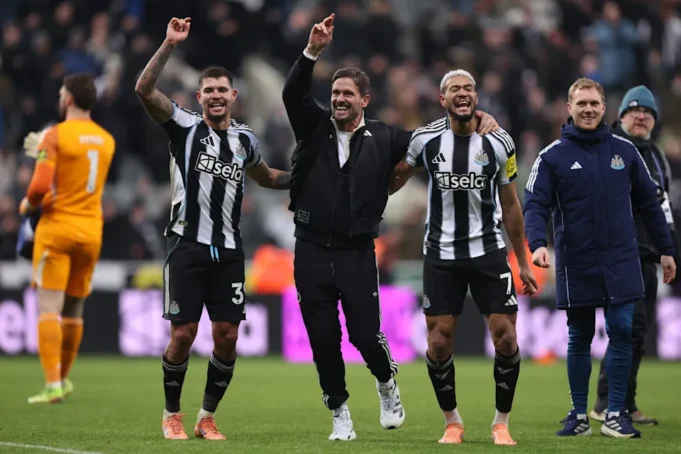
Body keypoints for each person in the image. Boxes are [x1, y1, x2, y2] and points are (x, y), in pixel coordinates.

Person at [282, 13, 500, 441]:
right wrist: (311, 53)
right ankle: (340, 414)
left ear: (365, 99)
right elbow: (292, 93)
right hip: (310, 248)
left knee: (365, 336)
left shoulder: (386, 137)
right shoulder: (314, 128)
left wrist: (476, 115)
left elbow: (433, 136)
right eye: (335, 93)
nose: (339, 99)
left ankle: (386, 382)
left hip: (358, 251)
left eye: (348, 94)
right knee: (323, 339)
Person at [135, 17, 291, 441]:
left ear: (233, 96)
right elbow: (144, 90)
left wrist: (304, 177)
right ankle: (171, 414)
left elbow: (267, 177)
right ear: (199, 96)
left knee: (227, 336)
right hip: (186, 246)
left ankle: (206, 417)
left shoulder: (245, 141)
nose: (217, 95)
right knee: (182, 334)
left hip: (229, 251)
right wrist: (169, 44)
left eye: (223, 89)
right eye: (210, 90)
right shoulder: (184, 126)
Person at [390, 70, 538, 446]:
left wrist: (522, 262)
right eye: (454, 88)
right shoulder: (425, 139)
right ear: (442, 99)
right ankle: (452, 422)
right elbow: (397, 176)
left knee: (506, 338)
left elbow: (511, 205)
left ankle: (501, 423)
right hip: (441, 254)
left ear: (476, 97)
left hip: (489, 251)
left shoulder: (499, 141)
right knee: (439, 342)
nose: (463, 93)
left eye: (469, 88)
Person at [523, 78, 677, 439]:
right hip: (576, 259)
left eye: (594, 103)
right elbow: (535, 204)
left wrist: (667, 249)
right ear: (569, 108)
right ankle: (579, 415)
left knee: (623, 330)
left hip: (622, 258)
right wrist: (537, 243)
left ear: (604, 108)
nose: (589, 109)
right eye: (582, 103)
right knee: (579, 335)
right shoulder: (552, 156)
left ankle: (615, 413)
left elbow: (651, 205)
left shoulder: (626, 151)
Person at [19, 73, 116, 404]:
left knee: (49, 307)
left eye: (62, 93)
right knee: (74, 309)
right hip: (90, 233)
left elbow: (39, 188)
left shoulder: (55, 135)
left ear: (69, 99)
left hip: (57, 229)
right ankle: (62, 379)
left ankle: (52, 385)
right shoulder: (106, 140)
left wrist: (26, 205)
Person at [589, 86, 679, 425]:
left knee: (637, 332)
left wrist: (667, 250)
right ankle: (606, 402)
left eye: (648, 112)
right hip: (615, 253)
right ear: (621, 115)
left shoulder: (656, 158)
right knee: (625, 328)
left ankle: (624, 401)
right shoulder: (606, 147)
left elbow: (662, 208)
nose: (641, 116)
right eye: (634, 110)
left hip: (646, 256)